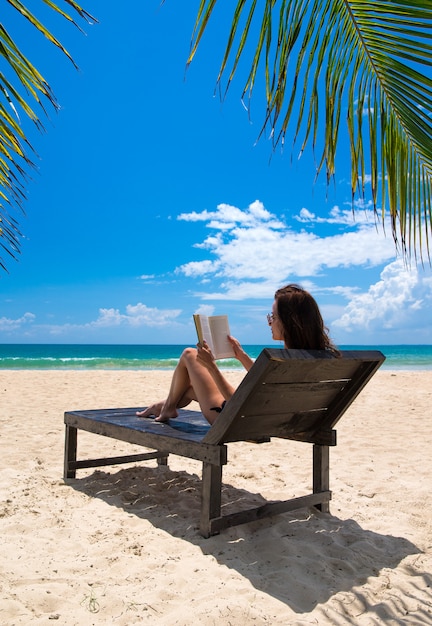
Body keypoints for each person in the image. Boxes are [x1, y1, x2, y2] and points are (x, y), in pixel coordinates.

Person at [136, 284, 338, 425]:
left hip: (233, 419)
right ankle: (165, 406)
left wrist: (211, 366)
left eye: (273, 317)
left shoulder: (283, 360)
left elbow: (235, 403)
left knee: (189, 354)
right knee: (189, 389)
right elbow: (263, 380)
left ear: (289, 321)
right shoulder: (312, 360)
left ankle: (166, 407)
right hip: (260, 419)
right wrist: (240, 355)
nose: (269, 322)